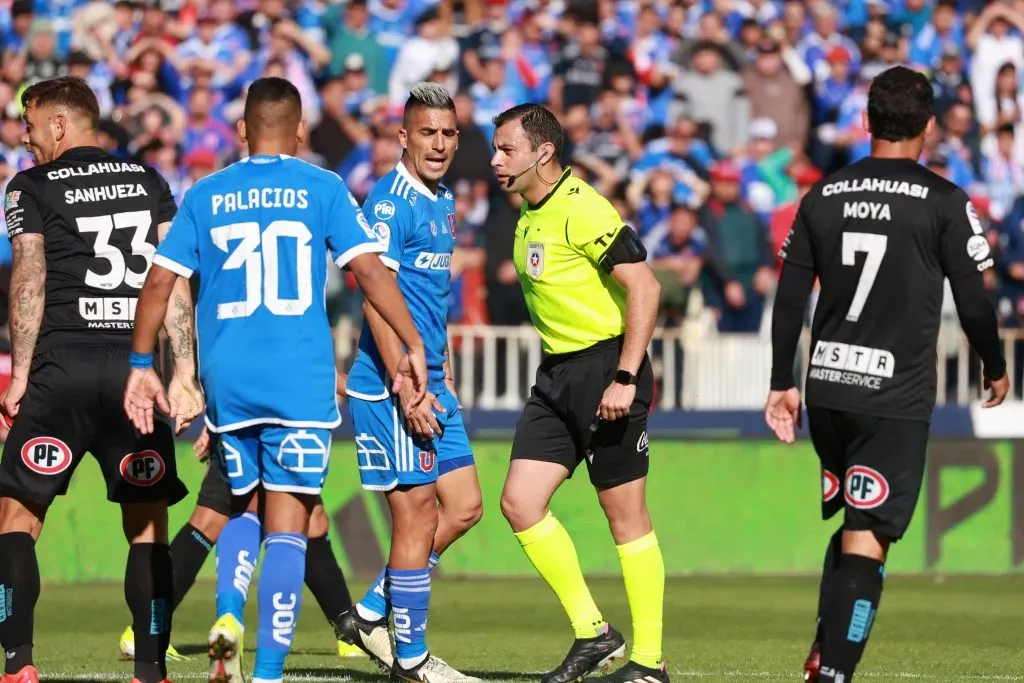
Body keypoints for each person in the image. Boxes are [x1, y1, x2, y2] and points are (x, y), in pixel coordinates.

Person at [124, 77, 428, 683]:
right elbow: (369, 272)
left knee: (241, 503)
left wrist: (141, 367)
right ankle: (266, 674)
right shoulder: (323, 186)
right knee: (289, 520)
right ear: (300, 131)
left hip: (229, 379)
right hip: (299, 374)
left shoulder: (205, 193)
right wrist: (412, 343)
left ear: (240, 130)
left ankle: (229, 613)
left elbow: (159, 284)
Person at [766, 65, 1009, 683]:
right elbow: (975, 299)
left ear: (867, 121)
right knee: (870, 533)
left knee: (855, 520)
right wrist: (995, 363)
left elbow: (791, 296)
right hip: (892, 395)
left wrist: (781, 382)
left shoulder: (821, 194)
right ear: (929, 127)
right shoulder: (946, 201)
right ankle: (835, 675)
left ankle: (823, 652)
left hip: (827, 388)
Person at [0, 76, 202, 683]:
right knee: (147, 528)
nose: (25, 140)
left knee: (16, 519)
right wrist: (185, 372)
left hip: (61, 369)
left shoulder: (30, 186)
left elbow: (30, 277)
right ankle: (149, 671)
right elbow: (172, 282)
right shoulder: (149, 182)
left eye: (31, 126)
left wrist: (19, 376)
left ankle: (17, 665)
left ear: (60, 124)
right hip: (135, 377)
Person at [490, 103, 668, 683]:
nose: (496, 161)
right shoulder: (528, 210)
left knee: (625, 517)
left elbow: (644, 285)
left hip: (605, 368)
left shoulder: (583, 207)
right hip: (557, 375)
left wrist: (626, 374)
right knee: (519, 502)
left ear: (543, 153)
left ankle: (650, 664)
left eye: (506, 150)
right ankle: (595, 633)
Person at [336, 82, 482, 683]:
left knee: (466, 507)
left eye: (449, 133)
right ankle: (412, 660)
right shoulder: (389, 204)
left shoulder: (443, 199)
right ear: (403, 136)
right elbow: (375, 298)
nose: (440, 144)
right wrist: (405, 382)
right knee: (416, 516)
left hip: (432, 377)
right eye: (428, 132)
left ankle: (371, 613)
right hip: (393, 381)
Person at [116, 424, 367, 663]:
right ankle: (147, 631)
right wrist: (367, 389)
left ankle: (349, 633)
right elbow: (319, 376)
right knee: (211, 519)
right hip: (258, 420)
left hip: (259, 417)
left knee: (311, 519)